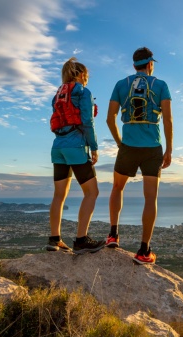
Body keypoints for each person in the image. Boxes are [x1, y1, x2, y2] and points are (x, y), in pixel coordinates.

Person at [106, 47, 173, 265]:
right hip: (152, 147)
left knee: (117, 187)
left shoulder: (120, 85)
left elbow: (110, 119)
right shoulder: (161, 85)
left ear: (134, 65)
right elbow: (167, 121)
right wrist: (169, 149)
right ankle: (144, 250)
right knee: (150, 198)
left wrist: (120, 143)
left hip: (128, 145)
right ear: (150, 64)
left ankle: (113, 235)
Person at [46, 57, 105, 254]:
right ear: (81, 75)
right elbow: (87, 122)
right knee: (92, 192)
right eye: (86, 76)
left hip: (58, 147)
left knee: (59, 195)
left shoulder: (57, 97)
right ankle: (81, 240)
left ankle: (55, 239)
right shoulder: (83, 93)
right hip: (76, 146)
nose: (87, 80)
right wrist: (94, 147)